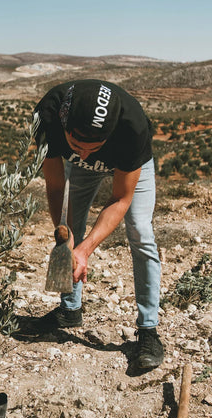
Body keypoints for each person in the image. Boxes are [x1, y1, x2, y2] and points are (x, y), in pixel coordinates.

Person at [33, 79, 163, 369]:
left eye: (94, 147)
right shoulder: (48, 116)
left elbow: (120, 199)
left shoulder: (133, 127)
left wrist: (85, 250)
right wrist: (67, 241)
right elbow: (55, 187)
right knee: (70, 225)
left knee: (140, 231)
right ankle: (69, 310)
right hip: (81, 171)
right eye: (77, 145)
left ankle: (149, 330)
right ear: (64, 125)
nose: (84, 155)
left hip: (126, 163)